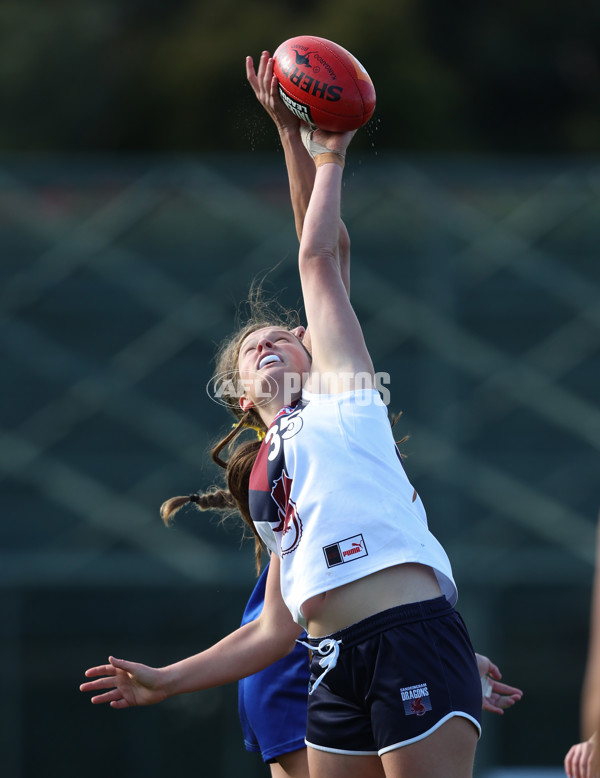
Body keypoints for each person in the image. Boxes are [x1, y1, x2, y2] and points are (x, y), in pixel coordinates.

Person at [81, 49, 516, 778]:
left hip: (409, 634)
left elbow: (320, 254)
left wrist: (318, 147)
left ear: (319, 349)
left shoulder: (346, 391)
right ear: (242, 397)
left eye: (286, 334)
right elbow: (273, 631)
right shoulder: (268, 485)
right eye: (254, 349)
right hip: (330, 663)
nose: (272, 342)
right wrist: (166, 679)